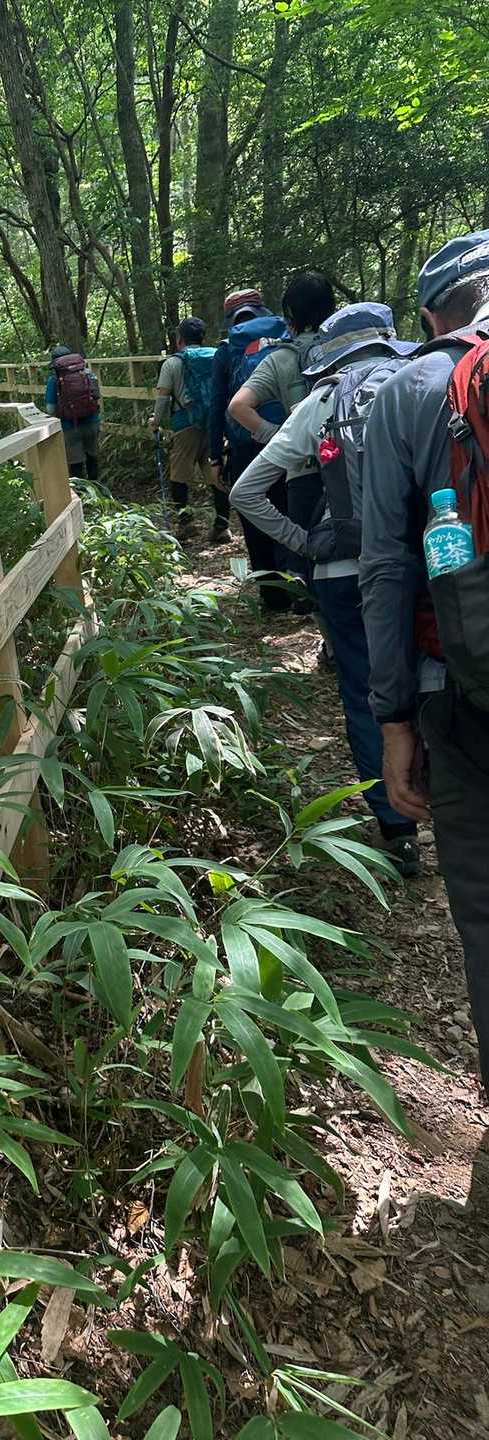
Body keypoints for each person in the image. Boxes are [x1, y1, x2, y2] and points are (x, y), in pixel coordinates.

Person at [360, 229, 489, 1094]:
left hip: (465, 688)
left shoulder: (409, 390)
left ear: (433, 316)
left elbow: (386, 566)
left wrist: (394, 718)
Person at [229, 302, 420, 874]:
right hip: (429, 565)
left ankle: (399, 829)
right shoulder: (427, 383)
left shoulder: (322, 403)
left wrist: (307, 543)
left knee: (366, 692)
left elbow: (245, 492)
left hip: (346, 574)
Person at [227, 271, 337, 568]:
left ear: (290, 317)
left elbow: (238, 406)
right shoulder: (347, 350)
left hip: (303, 473)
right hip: (353, 466)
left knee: (314, 564)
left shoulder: (280, 358)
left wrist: (280, 436)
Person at [208, 288, 293, 611]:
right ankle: (299, 589)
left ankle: (272, 597)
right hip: (289, 440)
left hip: (246, 444)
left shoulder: (227, 349)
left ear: (230, 318)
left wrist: (215, 456)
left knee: (256, 519)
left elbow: (218, 406)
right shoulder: (284, 337)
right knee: (290, 513)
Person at [150, 316, 232, 543]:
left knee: (179, 476)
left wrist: (156, 421)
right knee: (216, 472)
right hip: (215, 424)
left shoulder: (172, 363)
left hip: (185, 425)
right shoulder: (216, 355)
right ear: (203, 337)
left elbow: (163, 398)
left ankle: (186, 524)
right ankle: (222, 526)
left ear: (179, 340)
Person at [45, 345, 101, 482]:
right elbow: (97, 395)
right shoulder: (88, 373)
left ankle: (81, 491)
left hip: (70, 427)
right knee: (92, 456)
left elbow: (50, 409)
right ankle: (96, 488)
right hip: (92, 421)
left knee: (76, 463)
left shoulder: (54, 380)